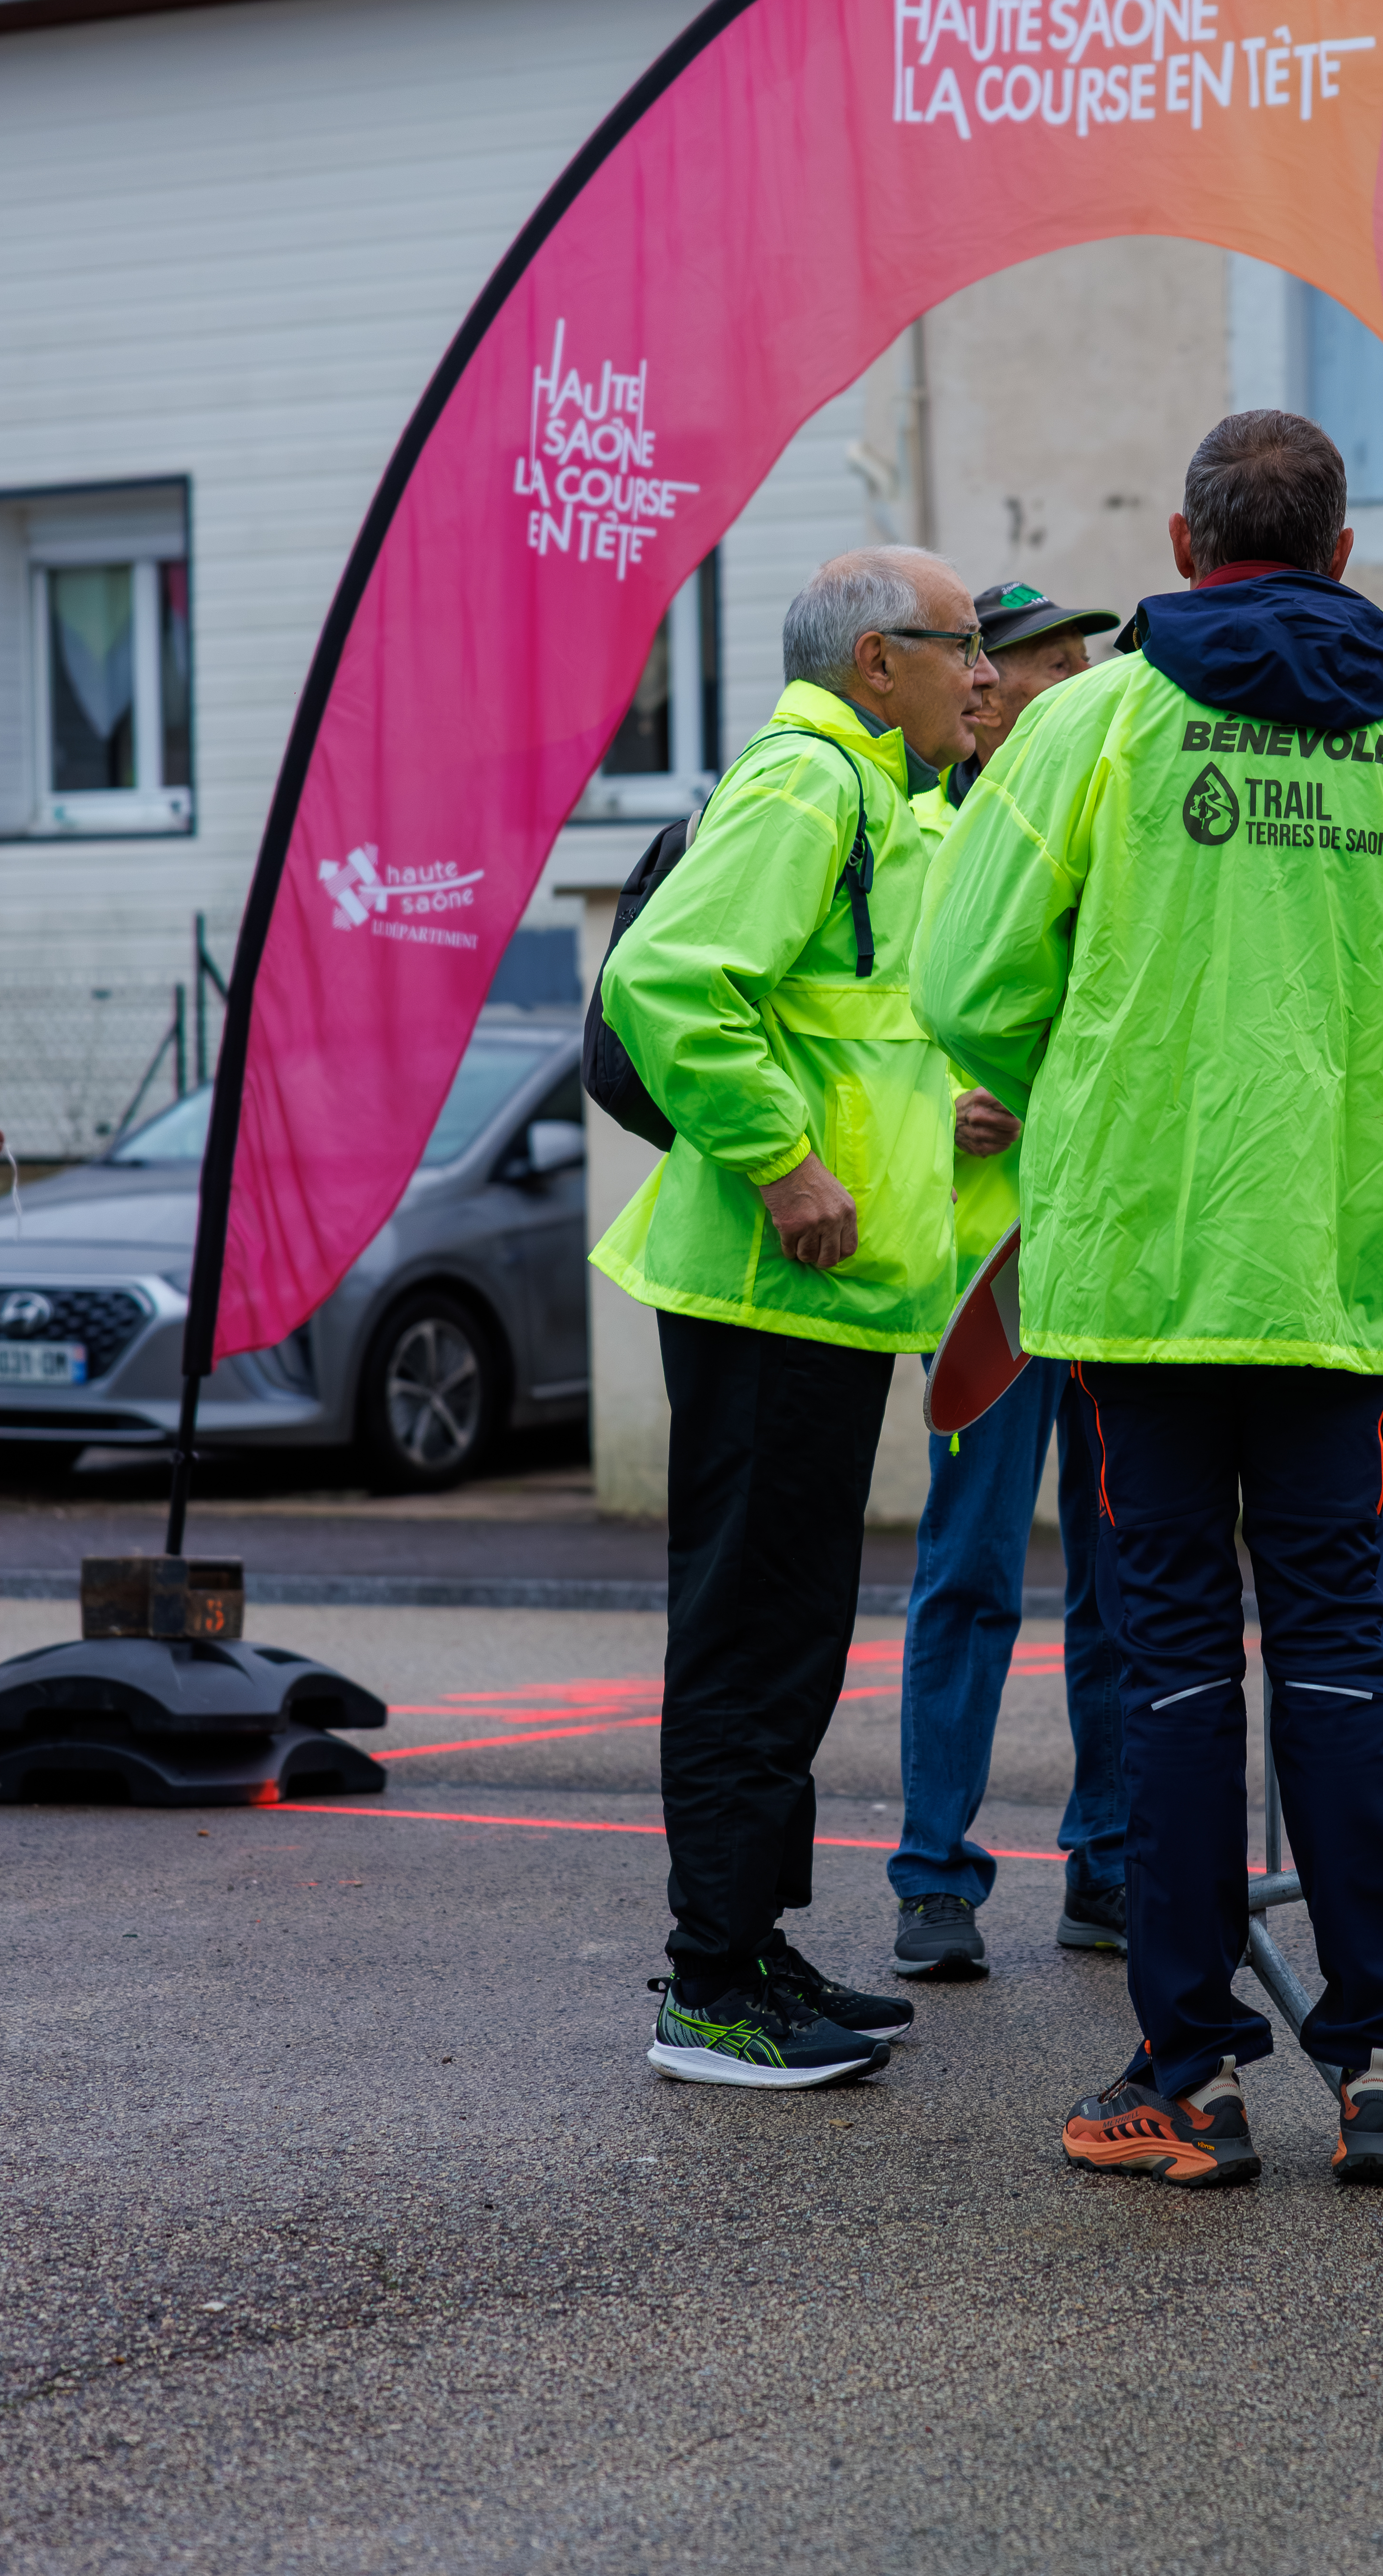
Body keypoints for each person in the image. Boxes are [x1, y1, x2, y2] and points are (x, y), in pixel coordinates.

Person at [913, 413, 1383, 2185]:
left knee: (1173, 1665)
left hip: (1148, 1278)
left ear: (1181, 545)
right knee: (1339, 1664)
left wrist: (1082, 1086)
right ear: (1341, 555)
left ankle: (1188, 2076)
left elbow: (962, 974)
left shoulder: (1097, 721)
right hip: (1333, 1281)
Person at [595, 546, 997, 2091]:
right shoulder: (807, 783)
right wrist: (783, 1163)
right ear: (873, 661)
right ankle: (709, 1986)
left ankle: (751, 1945)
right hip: (767, 1291)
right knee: (751, 1637)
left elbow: (845, 1027)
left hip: (819, 1303)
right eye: (958, 644)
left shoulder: (880, 802)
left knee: (790, 1635)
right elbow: (670, 978)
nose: (982, 672)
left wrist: (918, 1115)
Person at [888, 579, 1131, 1983]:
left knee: (1115, 1580)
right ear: (986, 688)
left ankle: (1103, 1866)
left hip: (1098, 1251)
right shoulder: (924, 836)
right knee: (971, 1576)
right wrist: (946, 1113)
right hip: (988, 1275)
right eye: (1051, 669)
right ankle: (935, 1880)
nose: (1076, 689)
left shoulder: (1103, 829)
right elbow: (888, 1044)